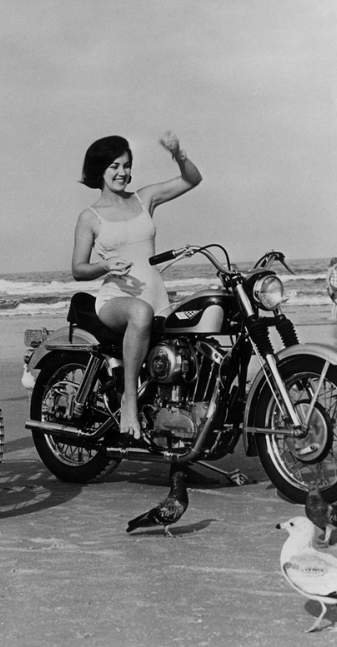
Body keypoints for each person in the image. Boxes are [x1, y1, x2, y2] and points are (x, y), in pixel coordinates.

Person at [71, 133, 202, 440]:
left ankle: (185, 434)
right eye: (115, 166)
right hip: (116, 300)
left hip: (158, 296)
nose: (123, 172)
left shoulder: (143, 199)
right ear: (100, 170)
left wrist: (179, 154)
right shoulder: (89, 217)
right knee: (141, 313)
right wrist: (105, 266)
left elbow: (192, 179)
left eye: (127, 165)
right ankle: (129, 400)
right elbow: (78, 269)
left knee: (191, 348)